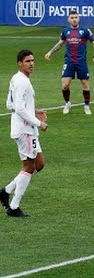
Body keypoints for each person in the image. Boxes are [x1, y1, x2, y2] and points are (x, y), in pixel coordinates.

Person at [1, 50, 48, 218]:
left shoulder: (17, 79)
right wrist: (38, 122)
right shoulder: (22, 82)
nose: (32, 63)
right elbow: (19, 108)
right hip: (25, 130)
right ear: (20, 63)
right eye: (27, 61)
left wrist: (33, 110)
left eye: (33, 60)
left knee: (39, 164)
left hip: (25, 129)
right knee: (29, 167)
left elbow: (9, 104)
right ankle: (14, 206)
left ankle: (6, 191)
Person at [44, 10, 94, 115]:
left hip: (81, 62)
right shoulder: (65, 31)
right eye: (72, 17)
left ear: (78, 18)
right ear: (68, 19)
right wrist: (50, 52)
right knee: (65, 85)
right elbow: (60, 43)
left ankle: (87, 106)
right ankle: (67, 103)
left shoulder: (85, 30)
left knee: (85, 84)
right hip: (69, 62)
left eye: (76, 17)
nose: (74, 19)